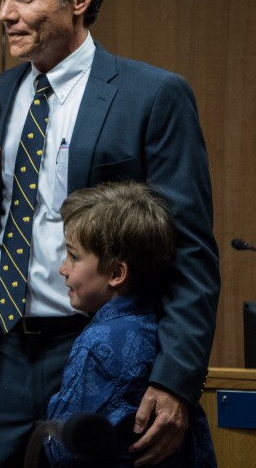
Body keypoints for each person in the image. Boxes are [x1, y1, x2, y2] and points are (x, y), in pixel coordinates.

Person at [0, 0, 220, 468]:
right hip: (1, 358)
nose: (5, 13)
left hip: (101, 352)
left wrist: (176, 382)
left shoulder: (152, 96)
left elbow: (189, 249)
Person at [45, 181, 216, 467]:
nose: (63, 269)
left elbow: (63, 450)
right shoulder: (162, 334)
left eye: (74, 257)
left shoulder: (98, 346)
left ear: (116, 272)